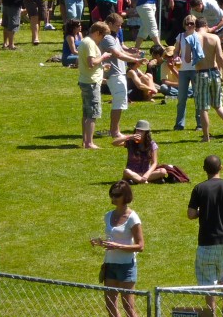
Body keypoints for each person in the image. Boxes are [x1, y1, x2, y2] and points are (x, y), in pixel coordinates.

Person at [187, 155, 223, 317]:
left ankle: (211, 313)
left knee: (207, 281)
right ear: (221, 167)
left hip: (206, 242)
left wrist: (201, 212)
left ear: (204, 169)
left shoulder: (199, 189)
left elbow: (190, 214)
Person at [91, 179, 144, 317]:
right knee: (110, 305)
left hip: (126, 266)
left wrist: (117, 246)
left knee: (128, 307)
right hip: (110, 265)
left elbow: (140, 246)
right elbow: (111, 240)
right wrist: (100, 242)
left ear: (125, 196)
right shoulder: (108, 215)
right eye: (112, 195)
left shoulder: (133, 218)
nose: (113, 198)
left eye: (117, 195)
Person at [195, 17, 223, 141]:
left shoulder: (193, 37)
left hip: (201, 73)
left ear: (196, 26)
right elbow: (220, 57)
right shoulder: (215, 38)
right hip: (214, 72)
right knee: (218, 104)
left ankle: (206, 136)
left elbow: (187, 57)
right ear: (206, 25)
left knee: (203, 107)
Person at [79, 21, 110, 149]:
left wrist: (102, 67)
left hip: (86, 80)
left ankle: (85, 140)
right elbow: (91, 62)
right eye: (102, 36)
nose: (102, 40)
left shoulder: (84, 41)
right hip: (91, 83)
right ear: (98, 33)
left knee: (86, 113)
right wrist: (103, 57)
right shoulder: (90, 43)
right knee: (93, 114)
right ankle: (89, 142)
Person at [113, 120, 168, 184]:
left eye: (141, 131)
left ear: (146, 133)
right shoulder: (130, 142)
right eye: (137, 130)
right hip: (132, 172)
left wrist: (146, 175)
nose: (138, 132)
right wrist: (129, 137)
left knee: (163, 171)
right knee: (126, 171)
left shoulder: (151, 144)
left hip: (146, 172)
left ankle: (137, 180)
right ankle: (144, 181)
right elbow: (114, 143)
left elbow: (154, 163)